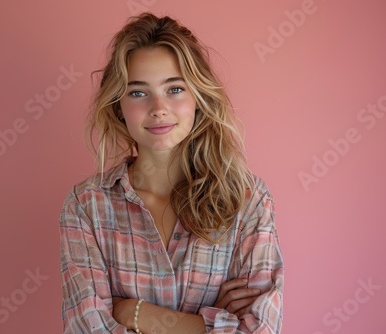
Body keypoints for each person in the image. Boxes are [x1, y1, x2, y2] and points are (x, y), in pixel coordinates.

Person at [59, 12, 283, 333]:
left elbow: (261, 329)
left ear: (198, 97)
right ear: (119, 107)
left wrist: (136, 313)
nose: (158, 107)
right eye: (138, 92)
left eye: (174, 89)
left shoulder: (248, 200)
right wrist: (210, 324)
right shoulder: (86, 206)